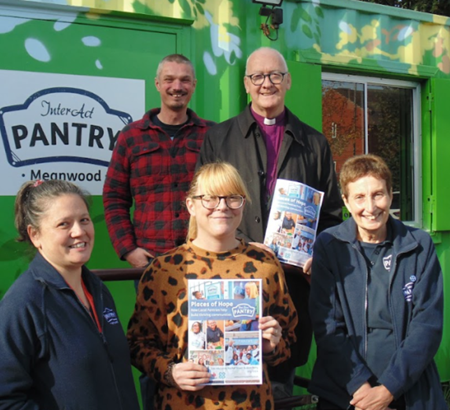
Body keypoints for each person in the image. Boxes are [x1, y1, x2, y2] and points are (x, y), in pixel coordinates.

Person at [196, 47, 343, 395]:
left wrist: (317, 252)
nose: (267, 83)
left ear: (288, 81)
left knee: (279, 387)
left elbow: (332, 215)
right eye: (258, 77)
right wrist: (244, 243)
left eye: (275, 75)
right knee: (223, 388)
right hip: (229, 282)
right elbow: (203, 207)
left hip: (288, 289)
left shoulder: (315, 143)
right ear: (246, 84)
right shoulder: (219, 138)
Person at [127, 162, 297, 410]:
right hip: (182, 403)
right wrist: (170, 372)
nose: (222, 207)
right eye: (210, 198)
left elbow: (289, 338)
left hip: (251, 404)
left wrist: (272, 346)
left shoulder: (265, 264)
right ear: (191, 205)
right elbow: (136, 343)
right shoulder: (165, 269)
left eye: (233, 198)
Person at [0, 180, 139, 410]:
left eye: (84, 220)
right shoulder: (22, 306)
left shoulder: (97, 289)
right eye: (64, 224)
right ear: (35, 235)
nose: (79, 231)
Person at [309, 155, 447, 410]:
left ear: (390, 196)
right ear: (346, 202)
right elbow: (327, 326)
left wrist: (388, 390)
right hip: (345, 394)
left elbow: (427, 326)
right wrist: (361, 388)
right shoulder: (329, 246)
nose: (370, 207)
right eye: (359, 197)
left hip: (409, 391)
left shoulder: (418, 246)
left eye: (378, 194)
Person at [103, 53, 215, 269]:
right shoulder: (131, 136)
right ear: (157, 84)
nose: (177, 86)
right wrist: (128, 250)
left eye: (184, 80)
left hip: (203, 258)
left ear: (194, 85)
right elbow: (114, 198)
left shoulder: (212, 135)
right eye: (169, 79)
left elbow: (228, 194)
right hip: (150, 261)